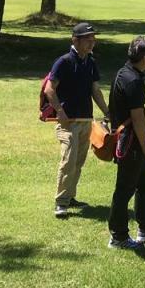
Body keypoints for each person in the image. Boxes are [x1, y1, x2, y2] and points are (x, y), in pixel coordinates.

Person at [44, 22, 109, 219]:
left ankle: (70, 197)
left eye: (93, 39)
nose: (92, 43)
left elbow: (95, 90)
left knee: (78, 162)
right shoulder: (63, 62)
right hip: (68, 122)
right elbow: (49, 89)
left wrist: (107, 112)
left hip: (85, 121)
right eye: (88, 39)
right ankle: (61, 202)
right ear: (75, 40)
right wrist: (60, 112)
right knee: (68, 161)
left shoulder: (90, 62)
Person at [106, 35, 145, 249]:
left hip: (130, 141)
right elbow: (137, 117)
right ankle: (118, 237)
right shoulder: (133, 80)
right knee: (124, 189)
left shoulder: (124, 72)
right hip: (131, 143)